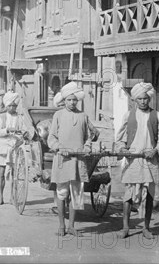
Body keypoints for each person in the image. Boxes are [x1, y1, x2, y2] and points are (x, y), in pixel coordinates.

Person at [115, 82, 159, 240]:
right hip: (133, 159)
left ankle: (146, 227)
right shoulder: (128, 115)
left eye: (146, 98)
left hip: (149, 160)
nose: (143, 101)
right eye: (140, 99)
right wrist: (123, 149)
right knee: (129, 195)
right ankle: (125, 228)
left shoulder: (157, 115)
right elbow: (120, 138)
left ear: (149, 98)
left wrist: (155, 150)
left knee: (149, 195)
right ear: (135, 100)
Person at [48, 82, 95, 237]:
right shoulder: (58, 115)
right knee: (61, 193)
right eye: (69, 100)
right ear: (64, 100)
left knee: (76, 194)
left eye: (75, 100)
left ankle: (72, 226)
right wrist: (59, 148)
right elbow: (52, 137)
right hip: (62, 159)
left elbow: (89, 136)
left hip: (79, 160)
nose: (72, 102)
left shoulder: (84, 116)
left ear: (78, 100)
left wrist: (87, 146)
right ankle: (61, 225)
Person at [0, 92, 34, 205]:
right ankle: (0, 197)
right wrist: (6, 130)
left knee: (14, 174)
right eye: (10, 105)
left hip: (15, 148)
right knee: (1, 173)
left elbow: (24, 129)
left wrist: (25, 133)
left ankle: (12, 197)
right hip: (4, 147)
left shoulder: (20, 118)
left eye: (14, 105)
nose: (12, 107)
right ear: (6, 106)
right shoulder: (2, 117)